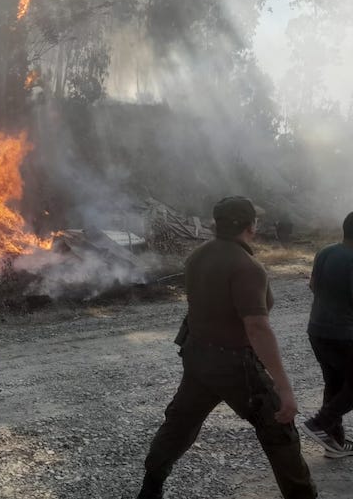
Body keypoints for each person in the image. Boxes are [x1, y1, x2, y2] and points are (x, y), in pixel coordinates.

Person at [137, 197, 316, 499]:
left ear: (216, 223)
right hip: (236, 366)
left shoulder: (197, 256)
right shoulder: (247, 267)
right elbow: (257, 328)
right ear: (251, 226)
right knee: (279, 431)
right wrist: (285, 390)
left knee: (179, 424)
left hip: (198, 357)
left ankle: (150, 487)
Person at [300, 210, 353, 458]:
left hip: (317, 330)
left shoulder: (326, 251)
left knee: (335, 384)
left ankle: (334, 442)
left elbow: (313, 285)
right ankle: (318, 423)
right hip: (341, 335)